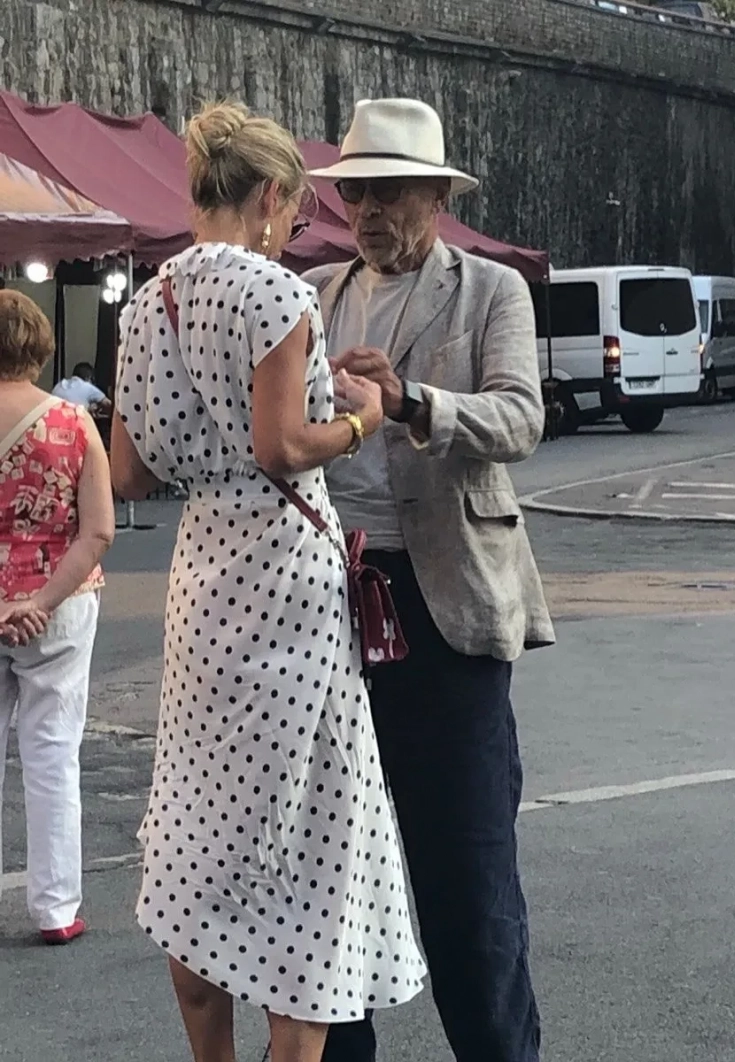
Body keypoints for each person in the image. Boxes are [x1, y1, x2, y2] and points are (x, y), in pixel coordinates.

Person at [110, 101, 425, 1062]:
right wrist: (363, 419)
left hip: (203, 577)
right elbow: (283, 446)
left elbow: (127, 473)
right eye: (294, 212)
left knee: (203, 818)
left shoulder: (149, 301)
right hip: (286, 577)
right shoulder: (276, 294)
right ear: (272, 196)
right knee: (309, 841)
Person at [307, 98, 556, 1062]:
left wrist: (409, 399)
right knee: (330, 876)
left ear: (436, 197)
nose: (368, 211)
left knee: (467, 876)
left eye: (390, 192)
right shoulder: (313, 293)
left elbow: (520, 420)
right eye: (356, 193)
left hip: (442, 604)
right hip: (326, 602)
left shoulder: (490, 290)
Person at [0, 290, 114, 944]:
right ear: (41, 349)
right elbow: (98, 532)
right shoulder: (74, 424)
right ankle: (55, 909)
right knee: (52, 752)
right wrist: (38, 603)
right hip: (60, 604)